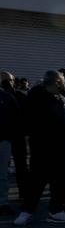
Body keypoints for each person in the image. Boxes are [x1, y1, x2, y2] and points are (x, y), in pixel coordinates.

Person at [15, 71, 65, 225]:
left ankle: (56, 210)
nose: (64, 83)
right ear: (56, 81)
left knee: (59, 181)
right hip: (43, 148)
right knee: (37, 180)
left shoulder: (62, 98)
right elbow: (29, 121)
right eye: (62, 80)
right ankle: (27, 211)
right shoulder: (36, 98)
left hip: (62, 147)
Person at [0, 71, 21, 217]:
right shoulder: (7, 97)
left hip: (4, 140)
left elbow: (16, 117)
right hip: (4, 140)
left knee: (2, 174)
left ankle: (2, 202)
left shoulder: (7, 97)